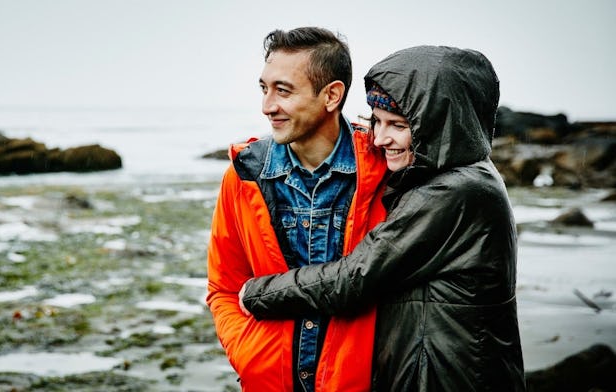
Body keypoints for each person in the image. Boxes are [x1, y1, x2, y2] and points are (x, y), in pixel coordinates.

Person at [240, 45, 527, 391]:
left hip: (445, 378)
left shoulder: (453, 193)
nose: (379, 138)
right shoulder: (465, 173)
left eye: (398, 125)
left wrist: (255, 294)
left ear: (435, 126)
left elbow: (353, 279)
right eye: (376, 120)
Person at [206, 27, 387, 391]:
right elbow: (224, 287)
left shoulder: (383, 171)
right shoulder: (244, 176)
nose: (267, 105)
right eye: (264, 88)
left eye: (283, 90)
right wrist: (249, 354)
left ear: (332, 95)